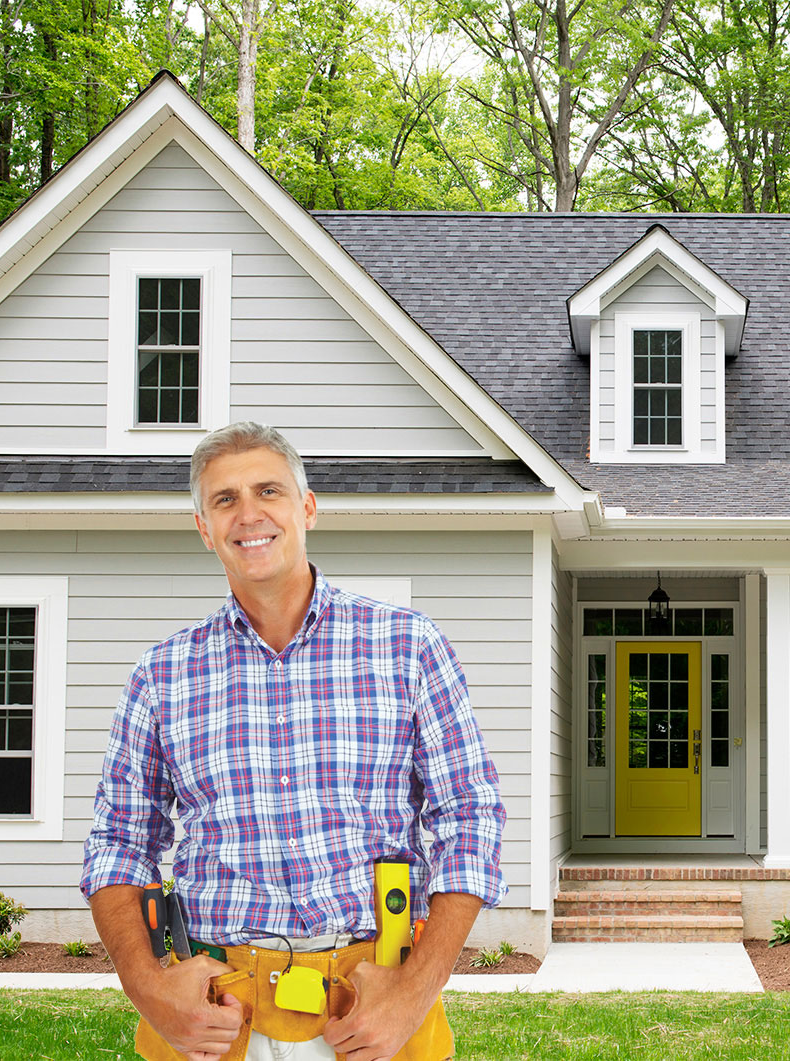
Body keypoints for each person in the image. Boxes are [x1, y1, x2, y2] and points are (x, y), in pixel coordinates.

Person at [80, 421, 506, 1061]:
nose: (248, 514)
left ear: (307, 507)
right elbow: (118, 842)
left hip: (373, 1007)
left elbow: (470, 819)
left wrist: (414, 991)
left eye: (268, 491)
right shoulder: (161, 675)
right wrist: (148, 988)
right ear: (204, 529)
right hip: (216, 1014)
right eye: (224, 500)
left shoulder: (409, 649)